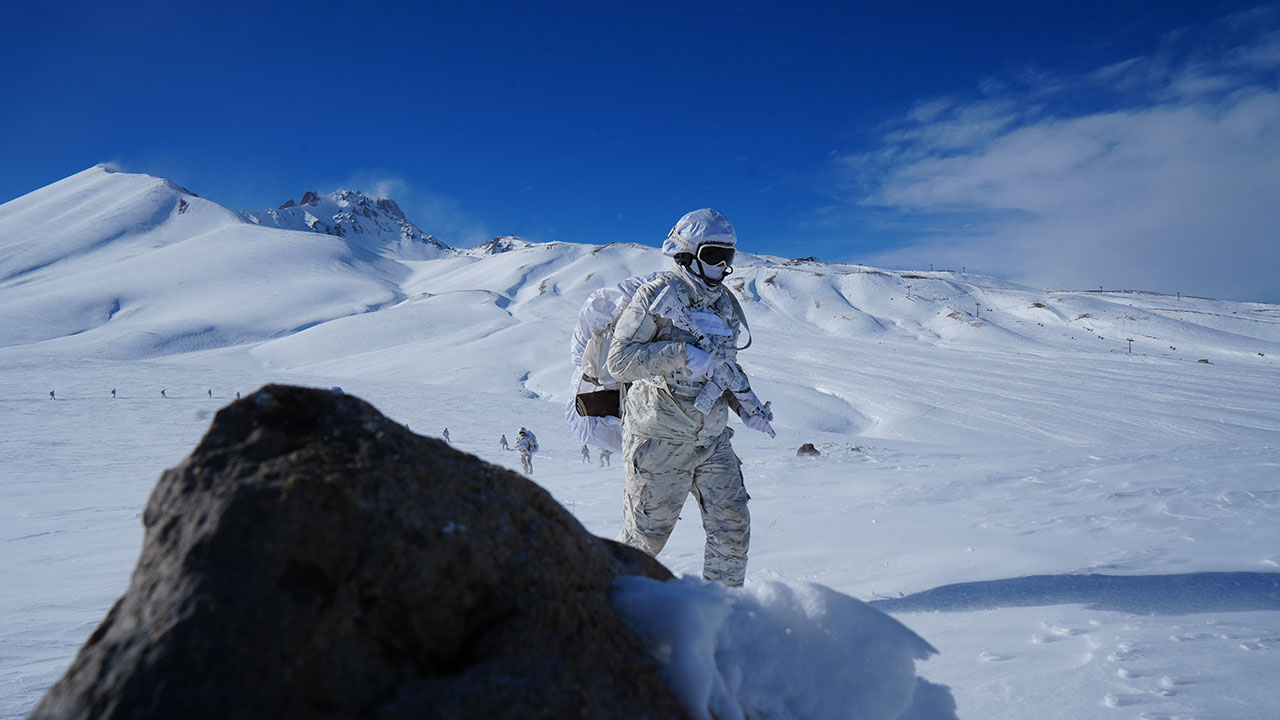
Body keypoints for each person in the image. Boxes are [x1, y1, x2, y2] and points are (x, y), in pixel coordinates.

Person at [605, 208, 774, 587]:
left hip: (713, 441)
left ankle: (721, 608)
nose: (722, 267)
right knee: (645, 540)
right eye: (713, 256)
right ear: (687, 254)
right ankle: (600, 600)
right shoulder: (656, 295)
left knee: (732, 528)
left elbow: (725, 367)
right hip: (659, 439)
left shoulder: (725, 304)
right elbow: (619, 362)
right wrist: (678, 354)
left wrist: (746, 407)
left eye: (728, 257)